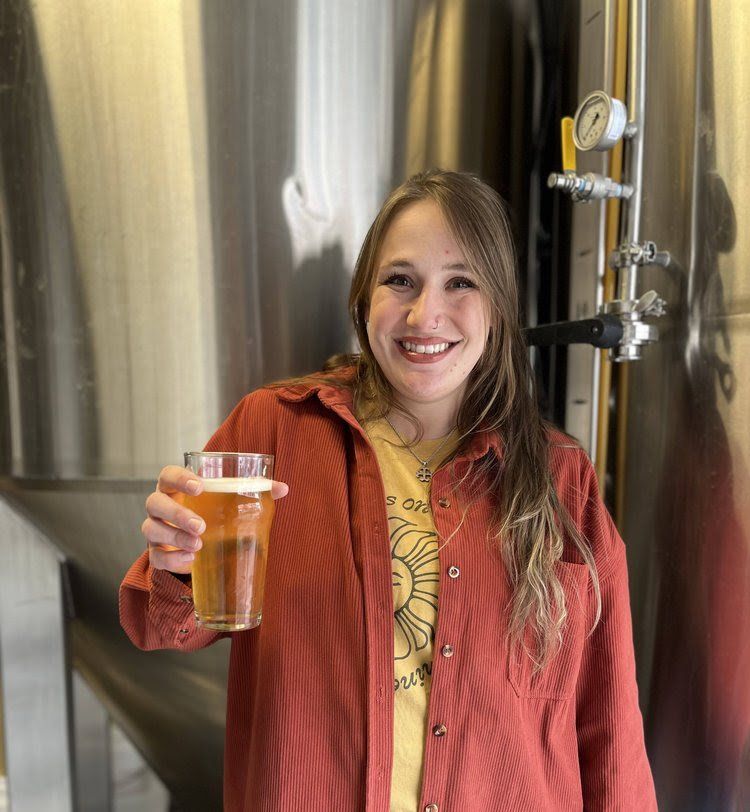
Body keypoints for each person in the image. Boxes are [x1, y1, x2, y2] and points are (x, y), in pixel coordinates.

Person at [121, 169, 657, 811]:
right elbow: (160, 627)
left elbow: (607, 723)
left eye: (461, 282)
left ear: (498, 307)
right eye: (400, 280)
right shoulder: (274, 430)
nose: (424, 314)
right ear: (364, 297)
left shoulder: (560, 476)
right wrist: (178, 563)